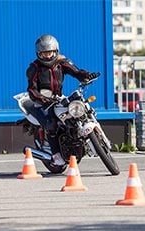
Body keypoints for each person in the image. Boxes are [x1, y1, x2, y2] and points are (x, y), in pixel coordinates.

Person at [26, 34, 100, 166]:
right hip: (42, 102)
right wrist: (43, 99)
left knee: (80, 107)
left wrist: (87, 75)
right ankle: (56, 155)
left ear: (56, 51)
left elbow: (76, 71)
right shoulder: (34, 68)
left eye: (50, 53)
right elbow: (32, 90)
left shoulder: (61, 63)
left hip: (58, 97)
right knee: (51, 123)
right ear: (39, 54)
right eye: (44, 54)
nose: (48, 56)